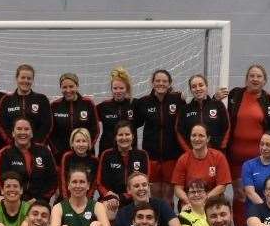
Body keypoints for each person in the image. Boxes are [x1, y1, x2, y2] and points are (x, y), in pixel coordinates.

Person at [225, 64, 270, 213]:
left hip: (259, 159)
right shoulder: (235, 95)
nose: (255, 79)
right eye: (252, 76)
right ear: (246, 79)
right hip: (235, 157)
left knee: (258, 194)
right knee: (239, 193)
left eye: (259, 76)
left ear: (265, 81)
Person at [136, 69, 186, 201]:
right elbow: (132, 123)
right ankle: (157, 220)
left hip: (172, 156)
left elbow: (186, 121)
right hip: (152, 156)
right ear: (152, 83)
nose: (161, 84)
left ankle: (168, 220)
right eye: (157, 81)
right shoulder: (143, 102)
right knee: (156, 193)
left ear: (169, 84)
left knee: (169, 194)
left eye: (164, 81)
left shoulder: (177, 100)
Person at [0, 117, 57, 203]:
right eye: (19, 129)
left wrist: (38, 199)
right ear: (13, 133)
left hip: (39, 202)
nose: (23, 132)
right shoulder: (4, 153)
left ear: (31, 133)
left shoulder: (44, 151)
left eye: (26, 129)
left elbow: (53, 181)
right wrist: (15, 199)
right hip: (12, 200)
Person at [96, 121, 150, 216]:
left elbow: (145, 182)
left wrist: (122, 197)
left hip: (136, 197)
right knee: (108, 212)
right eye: (120, 135)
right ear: (115, 137)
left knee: (144, 211)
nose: (124, 138)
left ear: (133, 136)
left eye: (127, 134)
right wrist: (110, 196)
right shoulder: (107, 155)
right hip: (111, 199)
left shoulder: (142, 155)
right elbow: (100, 183)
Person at [171, 124, 232, 206]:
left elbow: (222, 186)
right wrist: (190, 201)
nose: (197, 139)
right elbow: (178, 188)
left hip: (212, 200)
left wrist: (205, 199)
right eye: (194, 135)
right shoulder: (183, 159)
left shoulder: (218, 157)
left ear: (208, 139)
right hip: (189, 201)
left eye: (201, 136)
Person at [0, 63, 53, 147]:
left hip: (35, 148)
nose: (25, 81)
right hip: (13, 147)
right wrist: (12, 143)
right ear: (17, 78)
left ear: (32, 80)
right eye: (22, 77)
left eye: (29, 78)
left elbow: (47, 125)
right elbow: (1, 123)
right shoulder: (6, 100)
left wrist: (36, 144)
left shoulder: (41, 99)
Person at [48, 72, 99, 156]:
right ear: (60, 88)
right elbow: (51, 132)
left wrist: (86, 148)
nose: (68, 90)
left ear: (77, 86)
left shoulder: (88, 104)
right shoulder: (54, 106)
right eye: (64, 87)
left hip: (85, 154)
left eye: (71, 86)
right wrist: (57, 151)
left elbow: (95, 130)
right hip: (61, 155)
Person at [180, 74, 229, 152]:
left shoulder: (218, 105)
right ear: (190, 90)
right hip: (193, 154)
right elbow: (179, 131)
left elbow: (227, 127)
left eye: (201, 85)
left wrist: (221, 148)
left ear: (206, 86)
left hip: (215, 153)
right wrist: (188, 151)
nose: (198, 89)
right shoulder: (185, 109)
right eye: (194, 86)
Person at [97, 67, 140, 153]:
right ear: (111, 89)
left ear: (127, 88)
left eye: (121, 88)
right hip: (107, 152)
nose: (118, 91)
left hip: (130, 153)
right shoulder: (103, 106)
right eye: (115, 88)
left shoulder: (135, 104)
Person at [58, 128, 99, 198]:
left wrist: (86, 201)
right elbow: (63, 182)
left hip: (86, 199)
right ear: (72, 143)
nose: (81, 144)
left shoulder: (94, 161)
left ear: (89, 143)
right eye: (78, 141)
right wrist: (67, 201)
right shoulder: (67, 157)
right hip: (66, 198)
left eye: (84, 141)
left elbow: (93, 185)